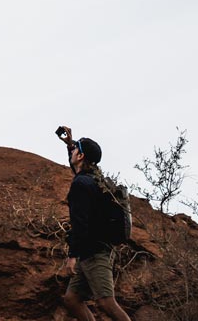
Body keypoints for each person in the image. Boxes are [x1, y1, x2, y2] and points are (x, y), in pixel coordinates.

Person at [56, 125, 134, 321]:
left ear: (81, 157)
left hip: (96, 252)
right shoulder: (91, 179)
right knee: (72, 299)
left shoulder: (81, 184)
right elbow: (78, 169)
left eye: (75, 150)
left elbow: (79, 223)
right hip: (91, 250)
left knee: (106, 302)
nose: (73, 152)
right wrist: (71, 144)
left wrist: (72, 255)